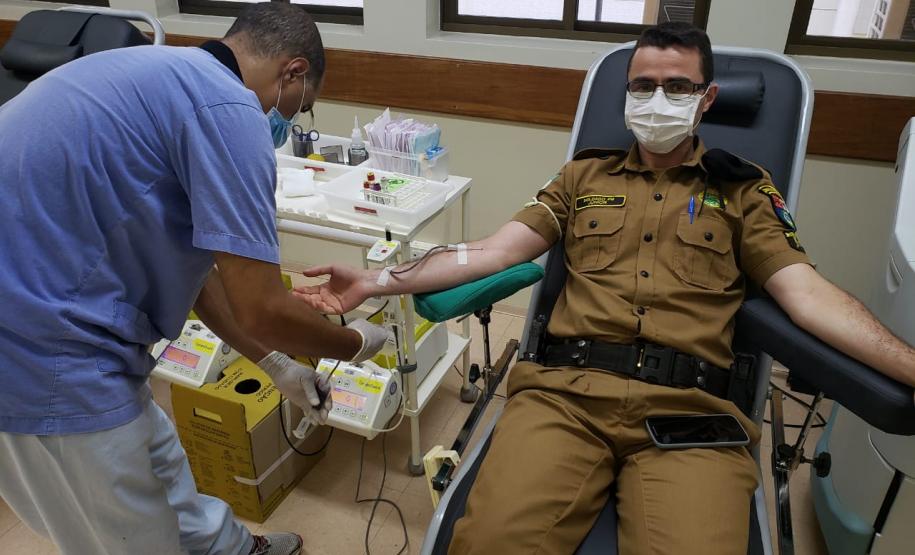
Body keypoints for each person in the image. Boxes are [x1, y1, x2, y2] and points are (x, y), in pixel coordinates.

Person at [294, 22, 915, 554]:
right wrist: (374, 281)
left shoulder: (743, 191)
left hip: (691, 416)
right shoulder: (581, 175)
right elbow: (489, 251)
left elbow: (806, 295)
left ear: (707, 99)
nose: (657, 98)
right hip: (564, 398)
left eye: (677, 87)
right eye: (643, 86)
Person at [0, 4, 389, 555]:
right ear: (292, 73)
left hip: (51, 306)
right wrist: (352, 344)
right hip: (40, 349)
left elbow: (203, 273)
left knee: (159, 464)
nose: (288, 123)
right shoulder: (229, 110)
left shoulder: (161, 74)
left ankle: (227, 549)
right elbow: (262, 309)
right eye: (299, 109)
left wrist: (275, 363)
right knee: (126, 534)